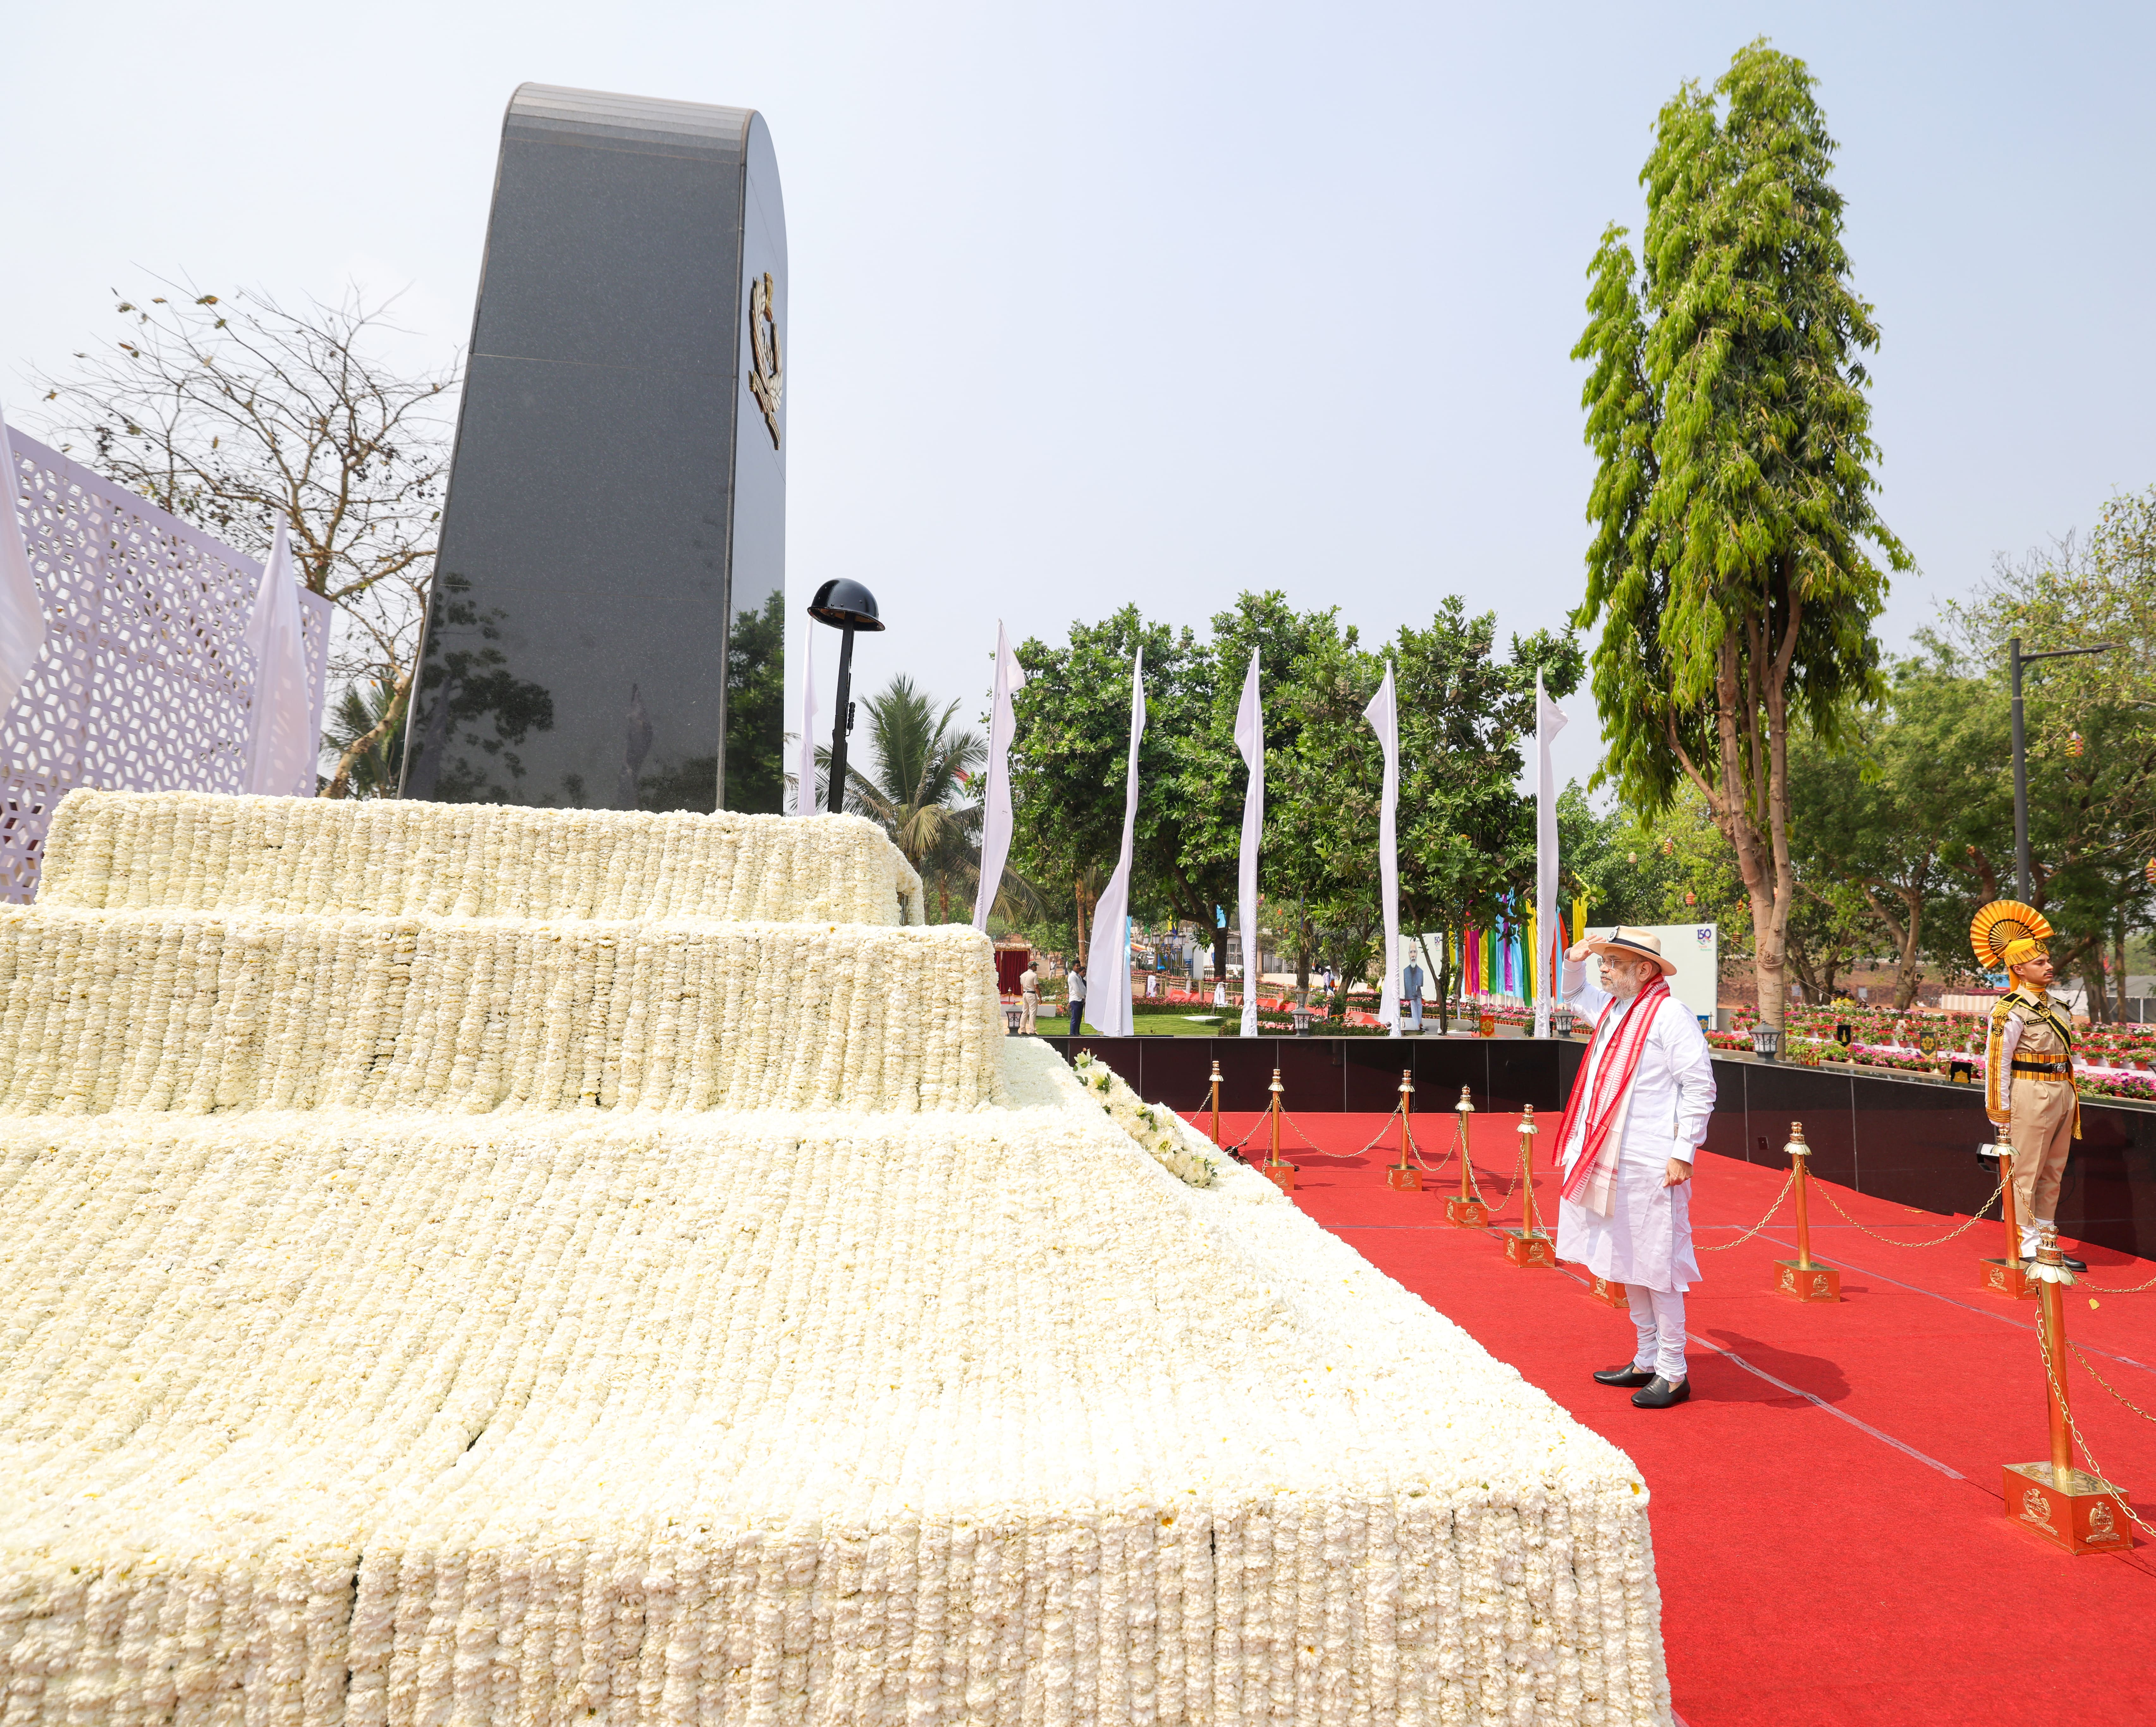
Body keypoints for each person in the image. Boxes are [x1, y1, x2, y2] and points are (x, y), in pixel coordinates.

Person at [1554, 926, 1716, 1410]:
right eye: (1603, 962)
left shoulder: (1669, 1017)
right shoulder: (1615, 1009)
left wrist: (1683, 1152)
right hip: (1610, 1156)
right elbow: (1571, 992)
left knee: (1658, 1267)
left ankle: (1674, 1370)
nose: (1603, 969)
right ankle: (1646, 1358)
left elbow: (1699, 1088)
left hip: (1651, 1160)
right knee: (1627, 1260)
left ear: (1643, 971)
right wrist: (1574, 957)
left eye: (1613, 963)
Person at [1976, 902, 2087, 1271]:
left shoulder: (2058, 1007)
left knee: (2053, 1171)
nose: (2049, 966)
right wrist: (2000, 1114)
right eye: (2039, 962)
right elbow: (1997, 1064)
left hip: (2060, 1092)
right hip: (2028, 1091)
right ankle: (2026, 1245)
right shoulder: (2009, 1009)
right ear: (2018, 968)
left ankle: (2047, 1240)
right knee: (2026, 1171)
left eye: (2048, 960)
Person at [1402, 951, 1425, 1033]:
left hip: (1418, 993)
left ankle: (1419, 1023)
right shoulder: (1406, 970)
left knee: (1419, 1006)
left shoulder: (1420, 970)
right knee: (1414, 1008)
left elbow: (1420, 982)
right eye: (1411, 953)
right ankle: (1417, 1024)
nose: (1413, 956)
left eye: (1414, 952)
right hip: (1411, 993)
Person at [1019, 961, 1039, 1034]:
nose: (1036, 968)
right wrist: (1040, 997)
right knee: (1033, 1013)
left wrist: (1023, 996)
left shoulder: (1023, 975)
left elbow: (1022, 987)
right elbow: (1036, 987)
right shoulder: (1034, 975)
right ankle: (1032, 1030)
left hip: (1025, 993)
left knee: (1025, 1012)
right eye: (1036, 966)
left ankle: (1023, 1030)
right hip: (1031, 994)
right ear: (1033, 967)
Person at [1067, 963, 1087, 1036]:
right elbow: (1077, 990)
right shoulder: (1072, 977)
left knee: (1079, 1018)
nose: (1078, 967)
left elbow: (1083, 988)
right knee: (1075, 1018)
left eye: (1079, 966)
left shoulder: (1078, 976)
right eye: (1077, 966)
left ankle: (1077, 1033)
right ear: (1073, 967)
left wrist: (1085, 996)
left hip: (1080, 1000)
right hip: (1076, 1000)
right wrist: (1083, 997)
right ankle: (1073, 1034)